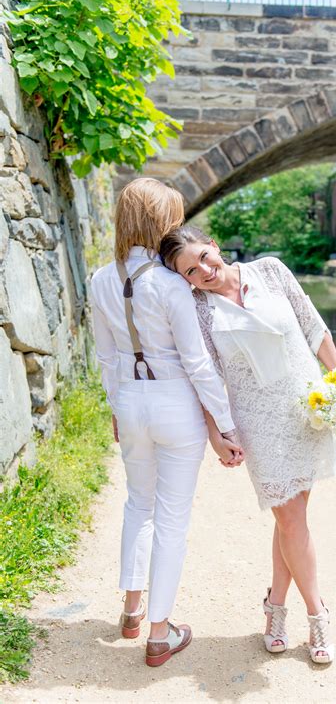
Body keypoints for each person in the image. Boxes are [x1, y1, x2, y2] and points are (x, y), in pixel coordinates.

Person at [160, 226, 336, 664]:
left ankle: (274, 607)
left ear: (215, 246)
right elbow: (204, 375)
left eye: (204, 256)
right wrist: (216, 433)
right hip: (259, 425)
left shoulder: (271, 272)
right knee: (291, 518)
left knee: (291, 520)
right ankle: (318, 615)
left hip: (308, 409)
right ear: (183, 279)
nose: (203, 270)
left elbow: (315, 329)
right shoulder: (198, 310)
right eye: (190, 270)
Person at [90, 180, 243, 667]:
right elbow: (197, 364)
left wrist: (118, 408)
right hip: (175, 401)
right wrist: (225, 424)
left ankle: (132, 610)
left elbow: (106, 355)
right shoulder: (171, 283)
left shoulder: (99, 280)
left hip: (132, 400)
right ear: (160, 223)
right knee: (171, 520)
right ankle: (160, 633)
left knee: (138, 503)